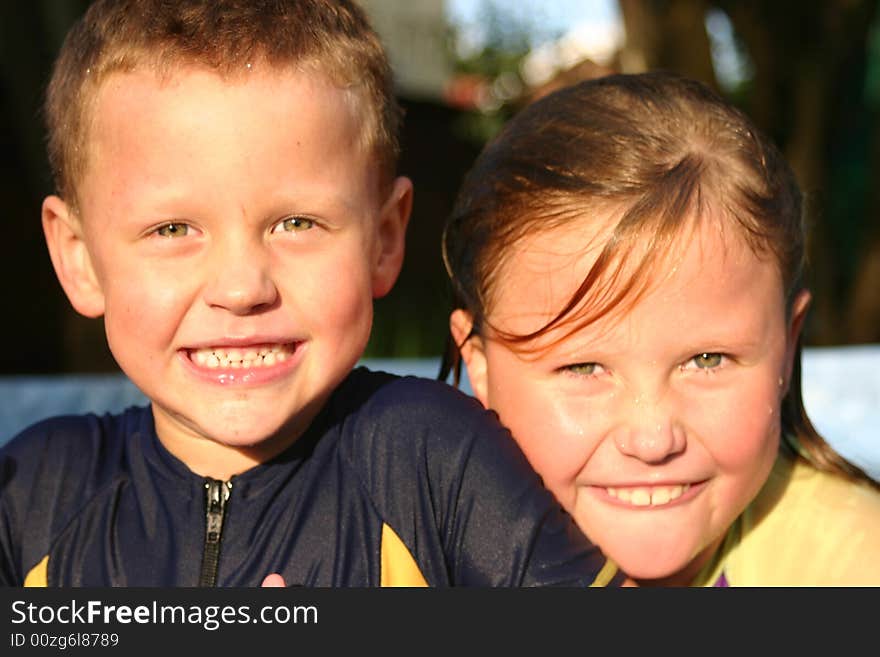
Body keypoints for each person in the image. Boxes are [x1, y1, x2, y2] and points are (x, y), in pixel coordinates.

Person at [0, 0, 626, 588]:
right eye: (172, 229)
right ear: (80, 259)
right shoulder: (36, 494)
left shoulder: (433, 461)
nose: (242, 288)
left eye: (296, 224)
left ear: (384, 238)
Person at [441, 71, 880, 586]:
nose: (652, 440)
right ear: (480, 365)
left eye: (707, 360)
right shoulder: (411, 557)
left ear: (788, 344)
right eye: (583, 366)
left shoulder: (854, 566)